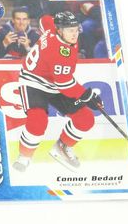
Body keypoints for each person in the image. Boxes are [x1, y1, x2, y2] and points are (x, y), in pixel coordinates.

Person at [13, 12, 103, 172]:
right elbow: (65, 85)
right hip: (33, 81)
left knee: (85, 119)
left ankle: (62, 147)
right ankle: (24, 156)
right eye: (70, 30)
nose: (74, 34)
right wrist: (88, 96)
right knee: (37, 121)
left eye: (76, 29)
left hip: (55, 82)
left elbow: (44, 19)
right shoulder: (60, 52)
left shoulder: (52, 27)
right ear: (60, 31)